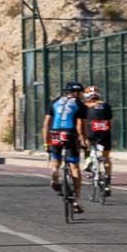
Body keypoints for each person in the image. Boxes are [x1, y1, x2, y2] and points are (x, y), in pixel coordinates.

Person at [42, 81, 87, 213]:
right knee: (74, 166)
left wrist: (46, 143)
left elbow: (46, 124)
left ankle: (54, 172)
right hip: (70, 133)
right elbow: (81, 125)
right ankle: (76, 200)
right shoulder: (79, 104)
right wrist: (83, 140)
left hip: (55, 132)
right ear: (77, 93)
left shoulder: (54, 102)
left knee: (55, 159)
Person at [82, 85, 113, 197]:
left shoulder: (85, 106)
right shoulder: (105, 105)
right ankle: (107, 182)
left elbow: (81, 123)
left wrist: (82, 137)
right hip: (105, 133)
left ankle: (89, 159)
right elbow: (109, 120)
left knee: (86, 144)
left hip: (92, 133)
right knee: (106, 158)